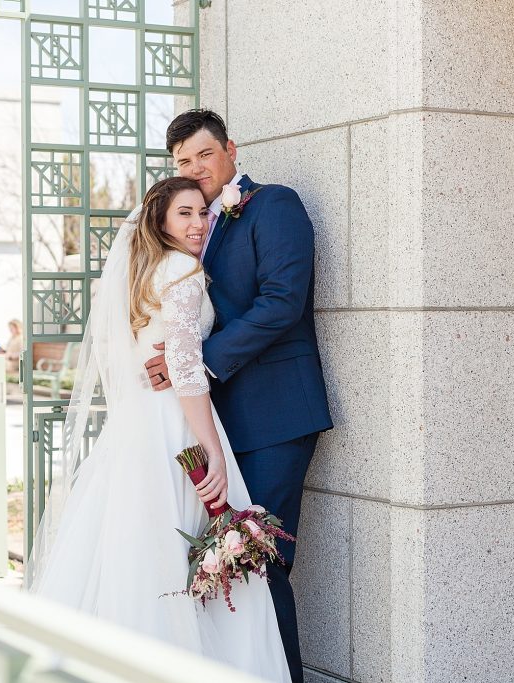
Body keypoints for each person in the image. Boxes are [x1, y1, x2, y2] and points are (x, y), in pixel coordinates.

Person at [27, 177, 291, 682]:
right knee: (181, 555)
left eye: (201, 212)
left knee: (136, 556)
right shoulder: (185, 271)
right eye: (184, 215)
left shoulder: (140, 274)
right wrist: (212, 448)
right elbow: (186, 368)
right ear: (162, 222)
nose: (198, 224)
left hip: (134, 430)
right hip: (176, 426)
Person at [144, 109, 333, 683]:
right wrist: (172, 358)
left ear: (229, 149)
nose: (195, 168)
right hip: (212, 423)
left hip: (275, 416)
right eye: (182, 161)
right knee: (217, 569)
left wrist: (196, 361)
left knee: (262, 564)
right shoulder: (193, 225)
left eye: (204, 155)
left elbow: (281, 302)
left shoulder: (273, 205)